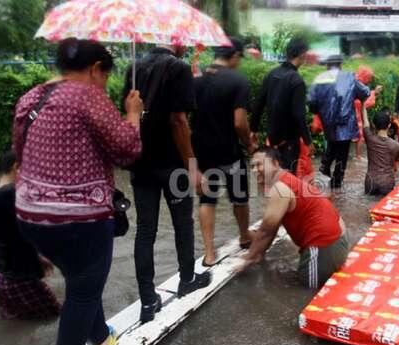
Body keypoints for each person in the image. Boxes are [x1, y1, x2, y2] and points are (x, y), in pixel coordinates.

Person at [13, 38, 143, 345]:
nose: (105, 83)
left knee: (81, 278)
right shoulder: (89, 96)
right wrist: (133, 114)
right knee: (84, 290)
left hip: (29, 216)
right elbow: (127, 151)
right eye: (105, 76)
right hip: (80, 222)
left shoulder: (32, 96)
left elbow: (19, 150)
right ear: (96, 68)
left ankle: (100, 338)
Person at [123, 42, 211, 324]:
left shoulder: (133, 68)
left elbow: (129, 114)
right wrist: (193, 167)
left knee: (145, 231)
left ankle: (147, 301)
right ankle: (187, 279)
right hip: (172, 166)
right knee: (182, 224)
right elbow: (178, 121)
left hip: (141, 164)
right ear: (175, 39)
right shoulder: (179, 68)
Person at [239, 147, 350, 289]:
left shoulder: (279, 188)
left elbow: (265, 231)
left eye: (259, 164)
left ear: (275, 163)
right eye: (252, 166)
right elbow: (271, 229)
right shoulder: (287, 179)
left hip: (327, 245)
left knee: (303, 291)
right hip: (339, 239)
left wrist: (247, 258)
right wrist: (259, 253)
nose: (254, 170)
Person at [190, 38, 257, 266]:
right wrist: (249, 145)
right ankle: (245, 237)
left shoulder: (196, 80)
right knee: (239, 198)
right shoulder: (238, 81)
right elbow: (240, 122)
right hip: (229, 152)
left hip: (200, 153)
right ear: (235, 55)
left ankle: (209, 254)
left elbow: (184, 118)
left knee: (207, 200)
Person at [0, 150, 61, 320]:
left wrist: (38, 258)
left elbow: (14, 238)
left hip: (1, 279)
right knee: (57, 317)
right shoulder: (10, 193)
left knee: (19, 326)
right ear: (16, 167)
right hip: (19, 280)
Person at [251, 38, 313, 174]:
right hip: (289, 141)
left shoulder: (271, 74)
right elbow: (299, 115)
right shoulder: (297, 80)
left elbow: (258, 103)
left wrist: (253, 129)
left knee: (272, 175)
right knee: (288, 178)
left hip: (272, 138)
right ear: (302, 54)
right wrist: (308, 141)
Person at [308, 55, 371, 189]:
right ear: (341, 65)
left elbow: (311, 101)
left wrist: (320, 111)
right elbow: (365, 92)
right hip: (346, 123)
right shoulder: (350, 77)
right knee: (342, 153)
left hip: (329, 122)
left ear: (327, 65)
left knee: (332, 145)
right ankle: (336, 182)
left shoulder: (321, 78)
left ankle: (324, 167)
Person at [362, 106, 399, 195]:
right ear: (389, 125)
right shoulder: (396, 145)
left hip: (370, 182)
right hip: (386, 183)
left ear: (374, 125)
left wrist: (363, 105)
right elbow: (395, 168)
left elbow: (365, 123)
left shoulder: (370, 139)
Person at [353, 66, 382, 159]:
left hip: (349, 114)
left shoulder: (353, 82)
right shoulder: (359, 86)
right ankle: (358, 157)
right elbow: (364, 103)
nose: (370, 80)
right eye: (369, 77)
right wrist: (374, 93)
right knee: (360, 135)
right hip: (354, 114)